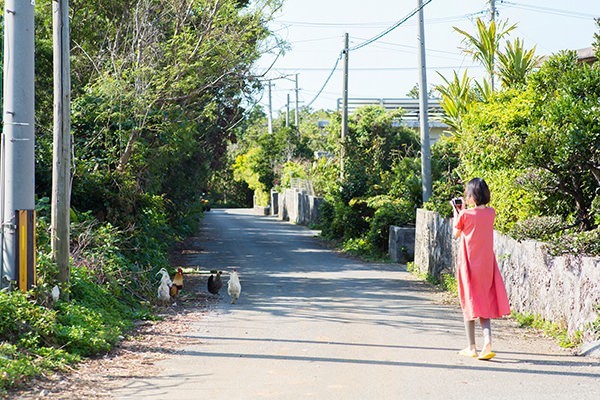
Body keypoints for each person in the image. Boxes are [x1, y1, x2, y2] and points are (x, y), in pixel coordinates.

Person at [452, 178, 510, 360]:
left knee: (468, 301)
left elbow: (456, 233)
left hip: (468, 264)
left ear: (472, 195)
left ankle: (471, 347)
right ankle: (488, 341)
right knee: (483, 303)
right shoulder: (491, 213)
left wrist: (457, 212)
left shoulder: (465, 215)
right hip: (486, 265)